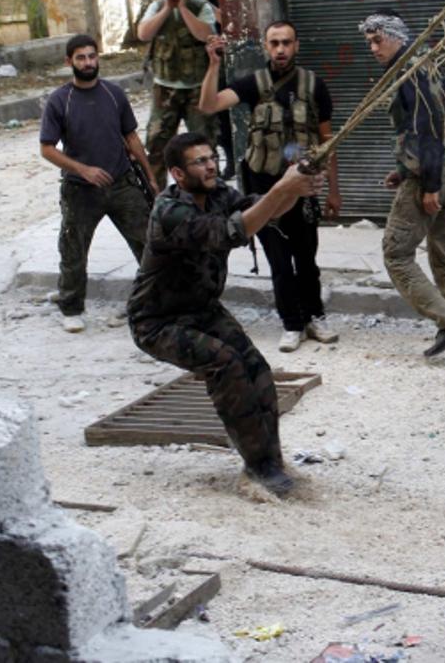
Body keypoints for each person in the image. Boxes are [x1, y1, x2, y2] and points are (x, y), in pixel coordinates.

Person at [127, 132, 319, 495]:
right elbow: (233, 231)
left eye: (211, 157)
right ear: (177, 174)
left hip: (202, 310)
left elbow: (261, 210)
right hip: (157, 321)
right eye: (199, 161)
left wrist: (296, 187)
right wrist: (284, 188)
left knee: (258, 370)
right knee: (226, 365)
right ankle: (257, 466)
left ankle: (270, 461)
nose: (211, 164)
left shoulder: (218, 195)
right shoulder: (170, 212)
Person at [199, 20, 342, 352]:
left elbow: (327, 141)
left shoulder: (313, 85)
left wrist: (334, 190)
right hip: (262, 193)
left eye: (287, 42)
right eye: (274, 43)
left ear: (297, 45)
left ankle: (314, 316)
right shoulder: (254, 84)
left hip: (304, 191)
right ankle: (291, 324)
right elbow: (208, 105)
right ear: (266, 46)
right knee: (279, 262)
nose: (281, 49)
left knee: (307, 260)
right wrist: (214, 65)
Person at [359, 9, 445, 357]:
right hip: (444, 168)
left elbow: (428, 130)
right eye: (368, 41)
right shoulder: (421, 65)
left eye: (377, 39)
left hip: (429, 177)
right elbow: (423, 131)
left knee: (396, 255)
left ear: (396, 35)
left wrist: (428, 186)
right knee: (442, 253)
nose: (372, 48)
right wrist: (402, 169)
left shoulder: (409, 73)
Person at [40, 34, 156, 333]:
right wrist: (83, 170)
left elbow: (131, 137)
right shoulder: (59, 100)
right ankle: (71, 306)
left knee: (150, 245)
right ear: (69, 62)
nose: (88, 62)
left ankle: (151, 303)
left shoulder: (114, 94)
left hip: (122, 184)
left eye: (92, 56)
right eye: (81, 57)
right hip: (80, 190)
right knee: (73, 250)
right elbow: (47, 149)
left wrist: (151, 176)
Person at [137, 0, 220, 189]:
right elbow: (143, 34)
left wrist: (182, 7)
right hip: (165, 89)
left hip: (197, 89)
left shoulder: (200, 6)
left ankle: (208, 194)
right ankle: (158, 199)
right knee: (156, 144)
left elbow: (205, 34)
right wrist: (167, 8)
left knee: (205, 145)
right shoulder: (156, 6)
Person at [184, 0, 235, 179]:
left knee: (223, 117)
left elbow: (229, 21)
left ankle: (231, 160)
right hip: (199, 70)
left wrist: (205, 3)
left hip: (222, 65)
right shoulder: (186, 5)